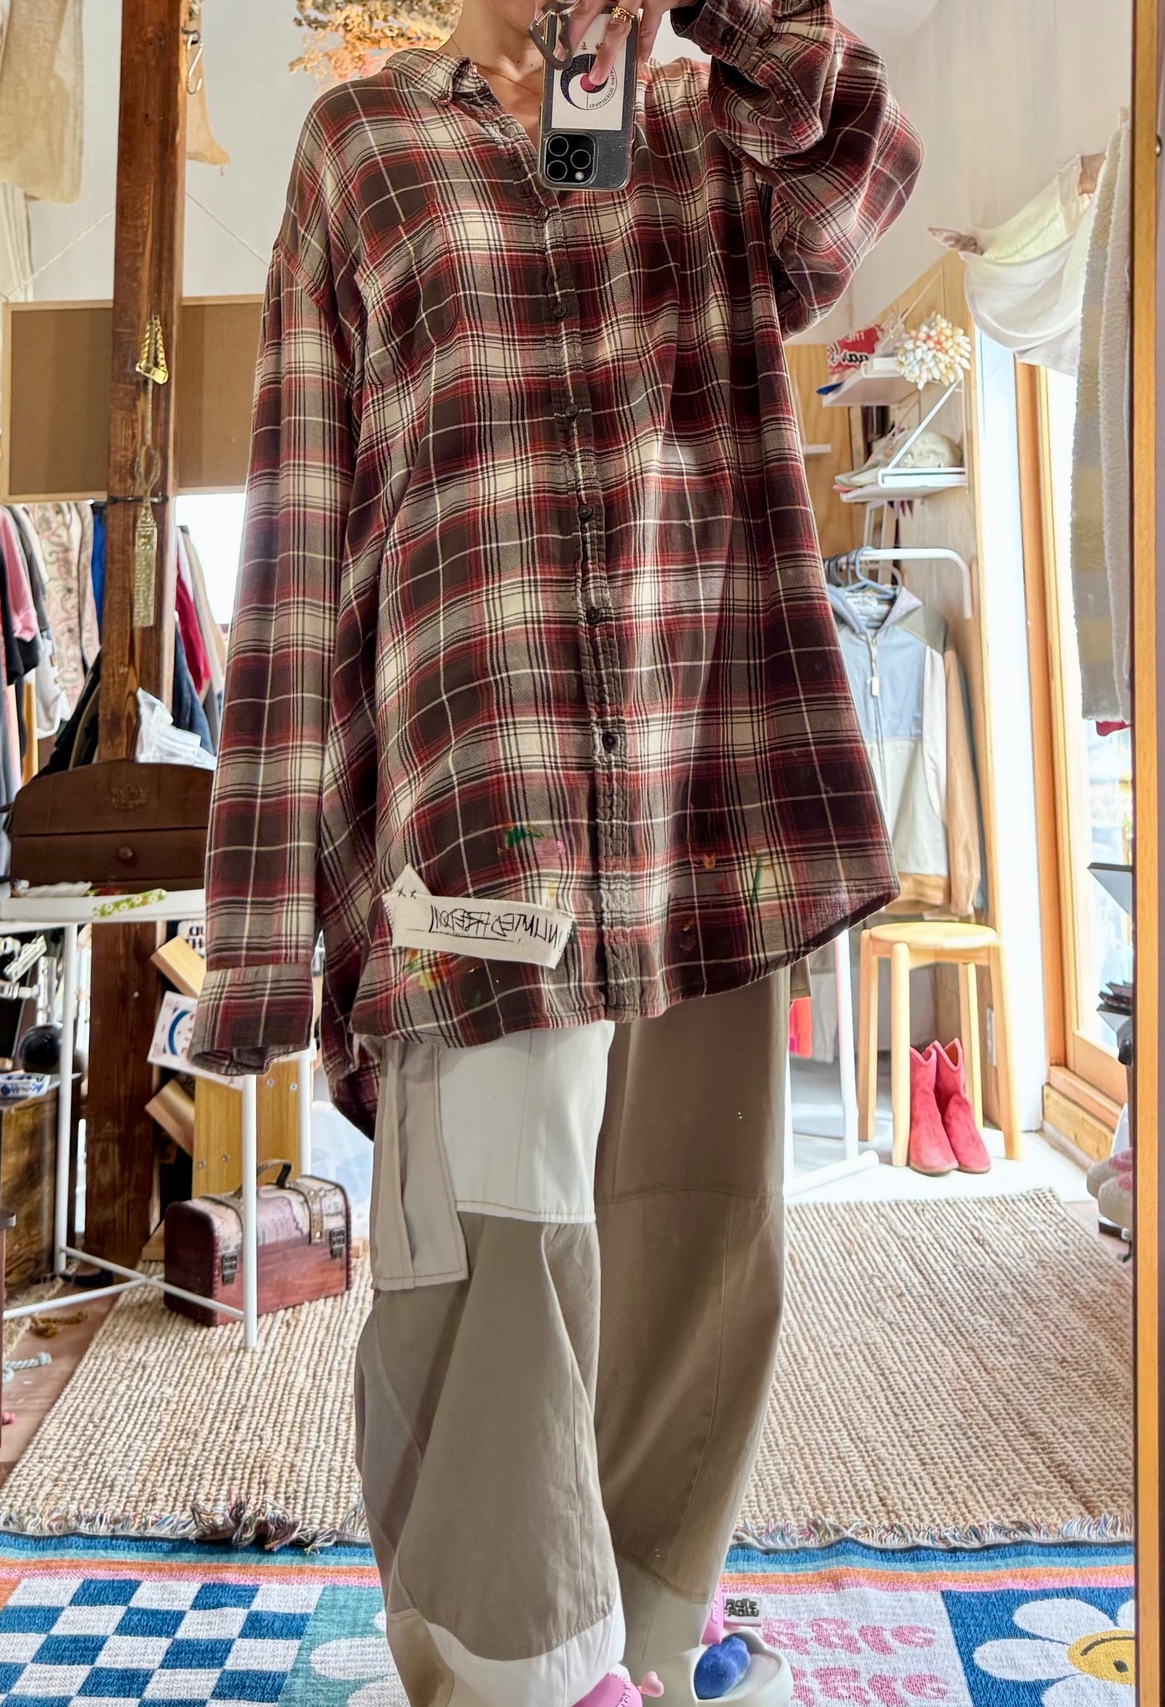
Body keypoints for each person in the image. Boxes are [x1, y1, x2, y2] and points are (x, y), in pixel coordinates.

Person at [190, 0, 921, 1700]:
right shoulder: (363, 149)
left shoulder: (701, 126)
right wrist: (264, 939)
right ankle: (519, 1663)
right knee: (495, 1253)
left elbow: (859, 156)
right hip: (483, 791)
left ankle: (646, 1628)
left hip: (698, 788)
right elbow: (297, 543)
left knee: (696, 1231)